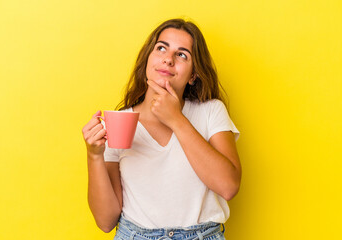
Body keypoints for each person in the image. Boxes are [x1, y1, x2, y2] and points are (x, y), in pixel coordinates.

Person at [82, 18, 242, 240]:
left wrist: (176, 119)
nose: (168, 59)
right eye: (161, 48)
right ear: (148, 60)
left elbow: (228, 186)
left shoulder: (210, 112)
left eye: (182, 54)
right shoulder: (120, 122)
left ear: (193, 75)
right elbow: (106, 221)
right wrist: (94, 156)